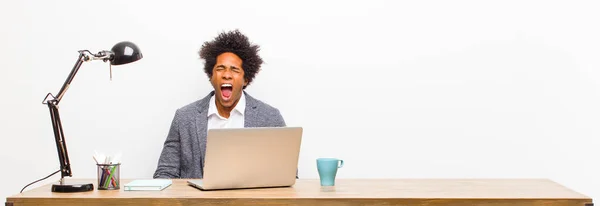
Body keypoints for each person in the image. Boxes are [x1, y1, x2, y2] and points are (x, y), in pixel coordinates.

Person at [153, 29, 286, 179]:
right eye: (220, 68)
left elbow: (287, 175)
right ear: (211, 76)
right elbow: (165, 173)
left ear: (246, 79)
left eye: (235, 70)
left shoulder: (270, 118)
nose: (227, 74)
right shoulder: (184, 117)